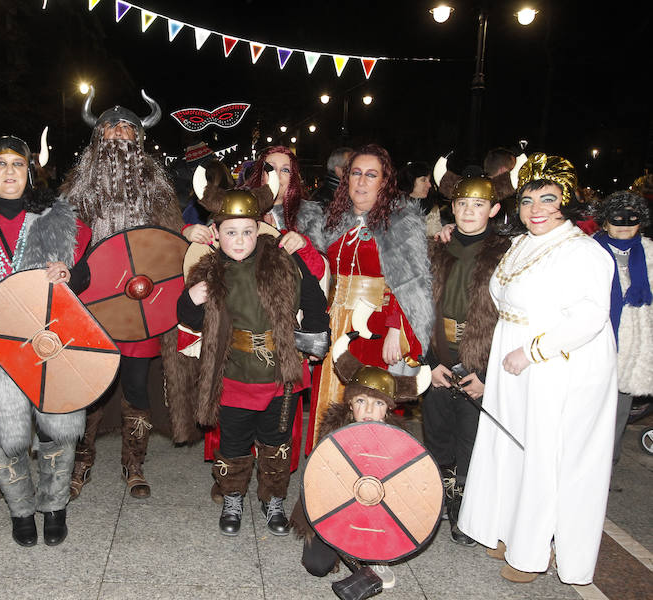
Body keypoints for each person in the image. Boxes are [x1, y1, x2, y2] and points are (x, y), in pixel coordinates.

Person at [458, 153, 617, 585]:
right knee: (510, 447)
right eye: (528, 201)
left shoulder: (583, 252)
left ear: (569, 202)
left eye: (548, 199)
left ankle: (534, 551)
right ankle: (508, 530)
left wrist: (532, 352)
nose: (536, 209)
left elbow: (590, 317)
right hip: (513, 361)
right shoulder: (521, 243)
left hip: (555, 366)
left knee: (543, 454)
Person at [0, 133, 90, 547]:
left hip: (51, 341)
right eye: (0, 164)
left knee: (58, 427)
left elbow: (89, 268)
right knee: (4, 433)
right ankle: (20, 513)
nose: (9, 172)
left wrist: (70, 275)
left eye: (17, 164)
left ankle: (54, 508)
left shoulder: (60, 218)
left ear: (30, 170)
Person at [65, 86, 197, 500]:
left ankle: (133, 462)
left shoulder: (157, 190)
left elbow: (169, 244)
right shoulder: (77, 190)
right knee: (91, 385)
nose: (120, 134)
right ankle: (80, 460)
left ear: (139, 140)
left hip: (143, 305)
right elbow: (65, 243)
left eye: (128, 129)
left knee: (137, 386)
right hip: (92, 305)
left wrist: (187, 237)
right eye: (112, 128)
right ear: (98, 138)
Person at [177, 175, 329, 536]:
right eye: (231, 232)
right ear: (217, 233)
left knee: (276, 442)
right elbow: (189, 319)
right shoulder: (209, 270)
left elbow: (314, 301)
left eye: (247, 231)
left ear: (259, 230)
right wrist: (190, 300)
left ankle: (272, 498)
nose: (240, 240)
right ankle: (232, 497)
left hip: (280, 374)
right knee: (233, 442)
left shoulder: (282, 261)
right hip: (234, 374)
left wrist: (313, 338)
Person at [296, 144, 434, 450]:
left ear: (384, 181)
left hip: (374, 327)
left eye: (371, 175)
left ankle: (367, 474)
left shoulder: (401, 223)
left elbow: (412, 281)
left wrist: (396, 329)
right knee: (328, 400)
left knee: (369, 403)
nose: (361, 181)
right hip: (334, 321)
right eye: (355, 173)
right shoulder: (332, 220)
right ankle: (326, 473)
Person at [290, 340, 428, 599]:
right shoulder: (333, 431)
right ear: (350, 404)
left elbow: (405, 489)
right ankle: (350, 550)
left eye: (378, 404)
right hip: (333, 507)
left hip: (377, 509)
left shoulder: (398, 439)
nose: (368, 410)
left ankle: (375, 554)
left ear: (388, 409)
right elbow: (319, 483)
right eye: (361, 401)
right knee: (317, 565)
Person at [422, 174, 510, 546]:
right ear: (451, 207)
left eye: (478, 205)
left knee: (471, 441)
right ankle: (439, 496)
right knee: (437, 435)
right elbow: (418, 308)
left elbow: (514, 319)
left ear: (494, 209)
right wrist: (428, 363)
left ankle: (465, 506)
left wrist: (488, 375)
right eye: (461, 204)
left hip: (481, 361)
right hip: (439, 357)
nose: (469, 211)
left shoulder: (507, 254)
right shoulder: (434, 248)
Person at [592, 191, 652, 463]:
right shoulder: (588, 251)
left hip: (631, 351)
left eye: (632, 218)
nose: (625, 223)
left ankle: (606, 470)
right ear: (605, 222)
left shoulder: (649, 253)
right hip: (593, 344)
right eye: (617, 218)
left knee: (617, 417)